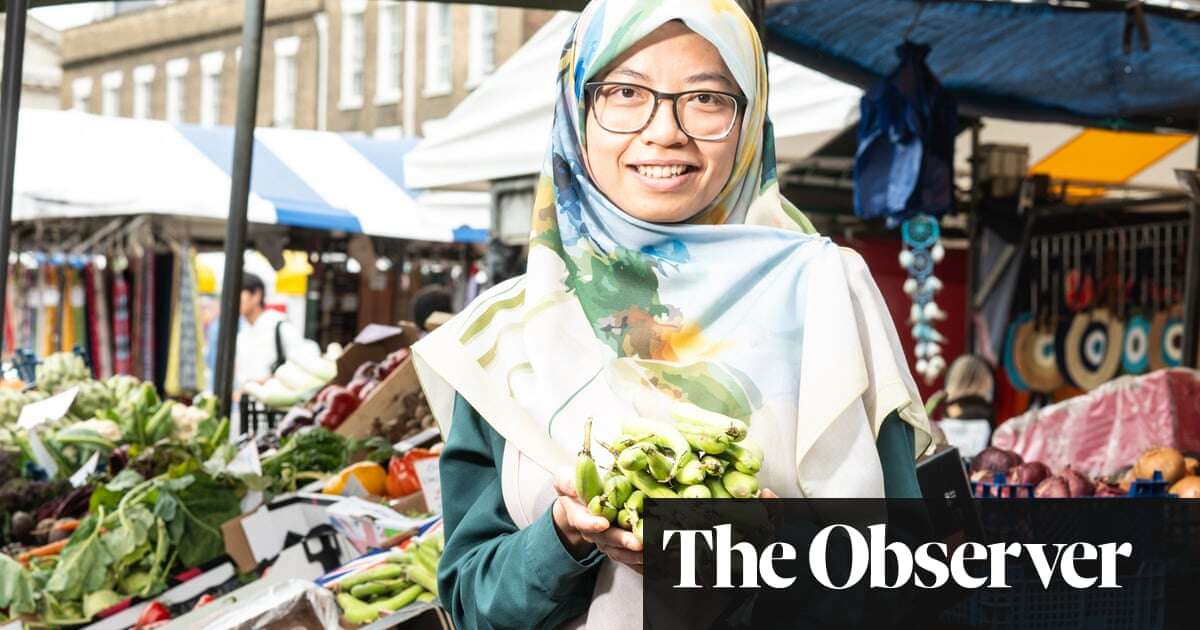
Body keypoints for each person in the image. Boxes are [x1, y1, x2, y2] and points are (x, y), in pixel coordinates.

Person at [410, 2, 933, 627]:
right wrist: (562, 537)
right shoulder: (507, 333)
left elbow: (912, 571)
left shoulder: (825, 290)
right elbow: (470, 602)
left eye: (708, 98)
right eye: (625, 92)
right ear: (577, 110)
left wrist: (768, 559)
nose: (665, 131)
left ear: (751, 119)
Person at [232, 273, 306, 392]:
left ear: (257, 295)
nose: (233, 299)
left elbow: (301, 368)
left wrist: (266, 381)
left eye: (238, 293)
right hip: (247, 406)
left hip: (275, 408)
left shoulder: (280, 327)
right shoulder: (242, 332)